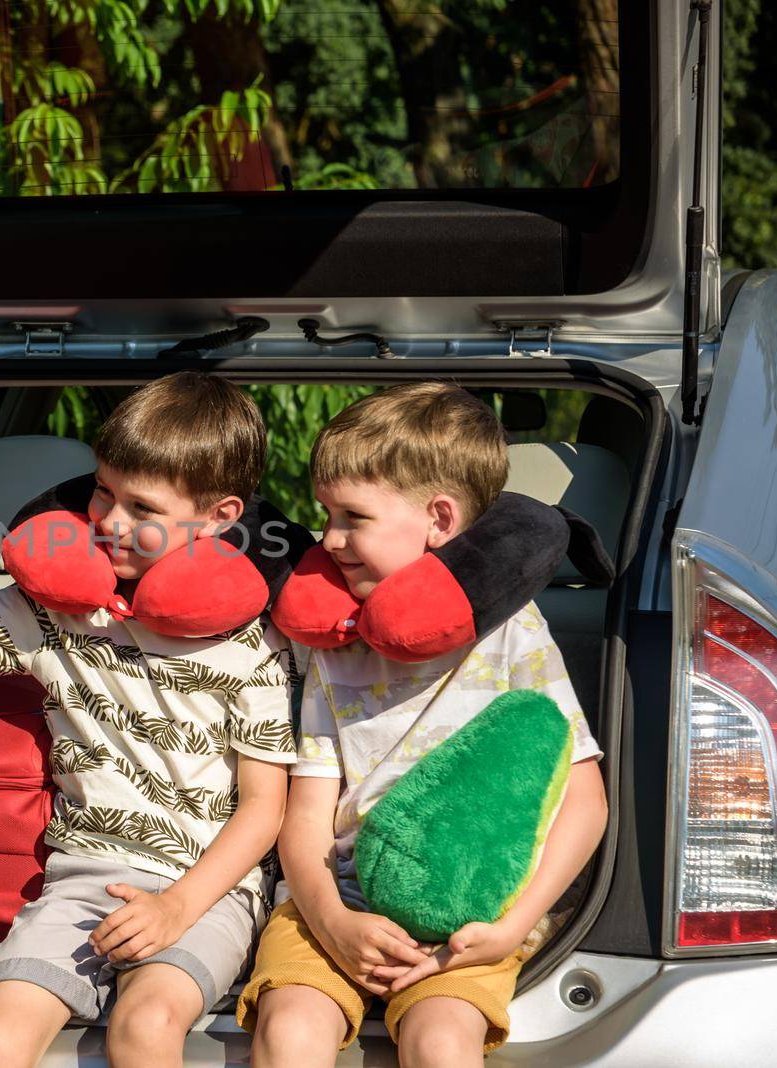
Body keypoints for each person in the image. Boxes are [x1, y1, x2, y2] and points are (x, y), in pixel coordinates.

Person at [0, 371, 297, 1068]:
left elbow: (266, 807)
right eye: (103, 491)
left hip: (207, 890)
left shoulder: (255, 643)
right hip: (81, 880)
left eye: (141, 506)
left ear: (218, 517)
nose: (110, 521)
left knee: (145, 1028)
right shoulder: (52, 610)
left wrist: (178, 907)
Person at [237, 382, 607, 1068]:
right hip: (334, 902)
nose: (328, 539)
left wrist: (508, 931)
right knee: (287, 1034)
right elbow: (308, 813)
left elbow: (583, 803)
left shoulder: (514, 637)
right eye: (325, 514)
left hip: (469, 918)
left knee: (441, 1044)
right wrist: (333, 921)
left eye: (352, 517)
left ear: (438, 518)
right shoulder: (333, 643)